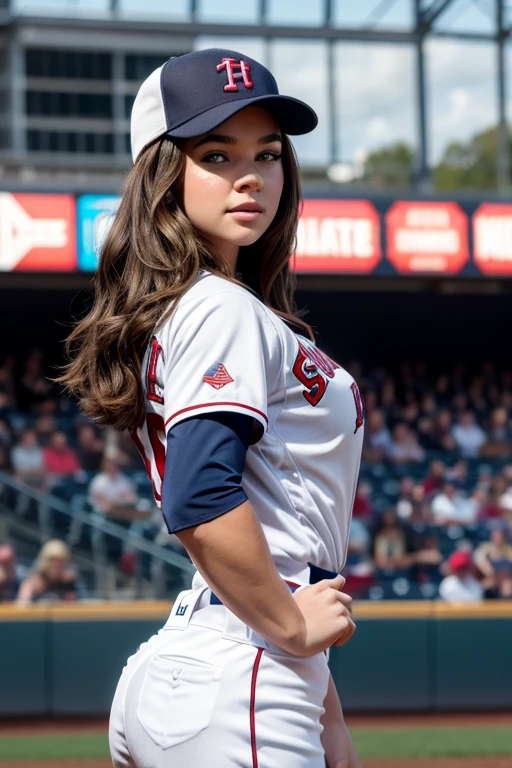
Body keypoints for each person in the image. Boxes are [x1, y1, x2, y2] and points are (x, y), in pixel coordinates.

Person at [58, 48, 363, 768]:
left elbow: (268, 516)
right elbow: (199, 494)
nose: (251, 174)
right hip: (242, 672)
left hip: (213, 652)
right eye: (216, 154)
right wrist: (289, 626)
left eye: (268, 153)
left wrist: (324, 708)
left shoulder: (203, 305)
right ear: (165, 174)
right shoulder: (218, 306)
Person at [17, 539, 79, 604]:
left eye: (61, 561)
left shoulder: (67, 583)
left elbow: (72, 607)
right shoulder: (32, 583)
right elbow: (21, 607)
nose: (57, 565)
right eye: (53, 560)